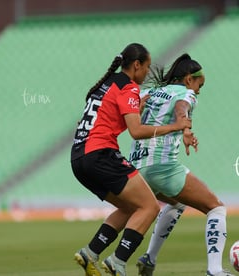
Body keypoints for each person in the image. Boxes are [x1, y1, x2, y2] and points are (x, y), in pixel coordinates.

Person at [70, 43, 192, 276]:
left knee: (130, 207)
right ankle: (117, 262)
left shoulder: (106, 83)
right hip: (100, 154)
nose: (147, 73)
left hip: (78, 158)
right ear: (136, 65)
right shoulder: (129, 87)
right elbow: (136, 131)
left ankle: (90, 254)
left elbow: (101, 119)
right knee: (149, 207)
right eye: (146, 67)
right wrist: (174, 127)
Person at [129, 53, 234, 276]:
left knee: (176, 204)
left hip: (137, 167)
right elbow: (182, 108)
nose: (198, 91)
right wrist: (185, 129)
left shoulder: (149, 92)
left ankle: (149, 258)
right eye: (199, 85)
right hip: (162, 165)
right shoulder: (185, 93)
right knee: (216, 208)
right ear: (189, 79)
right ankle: (214, 270)